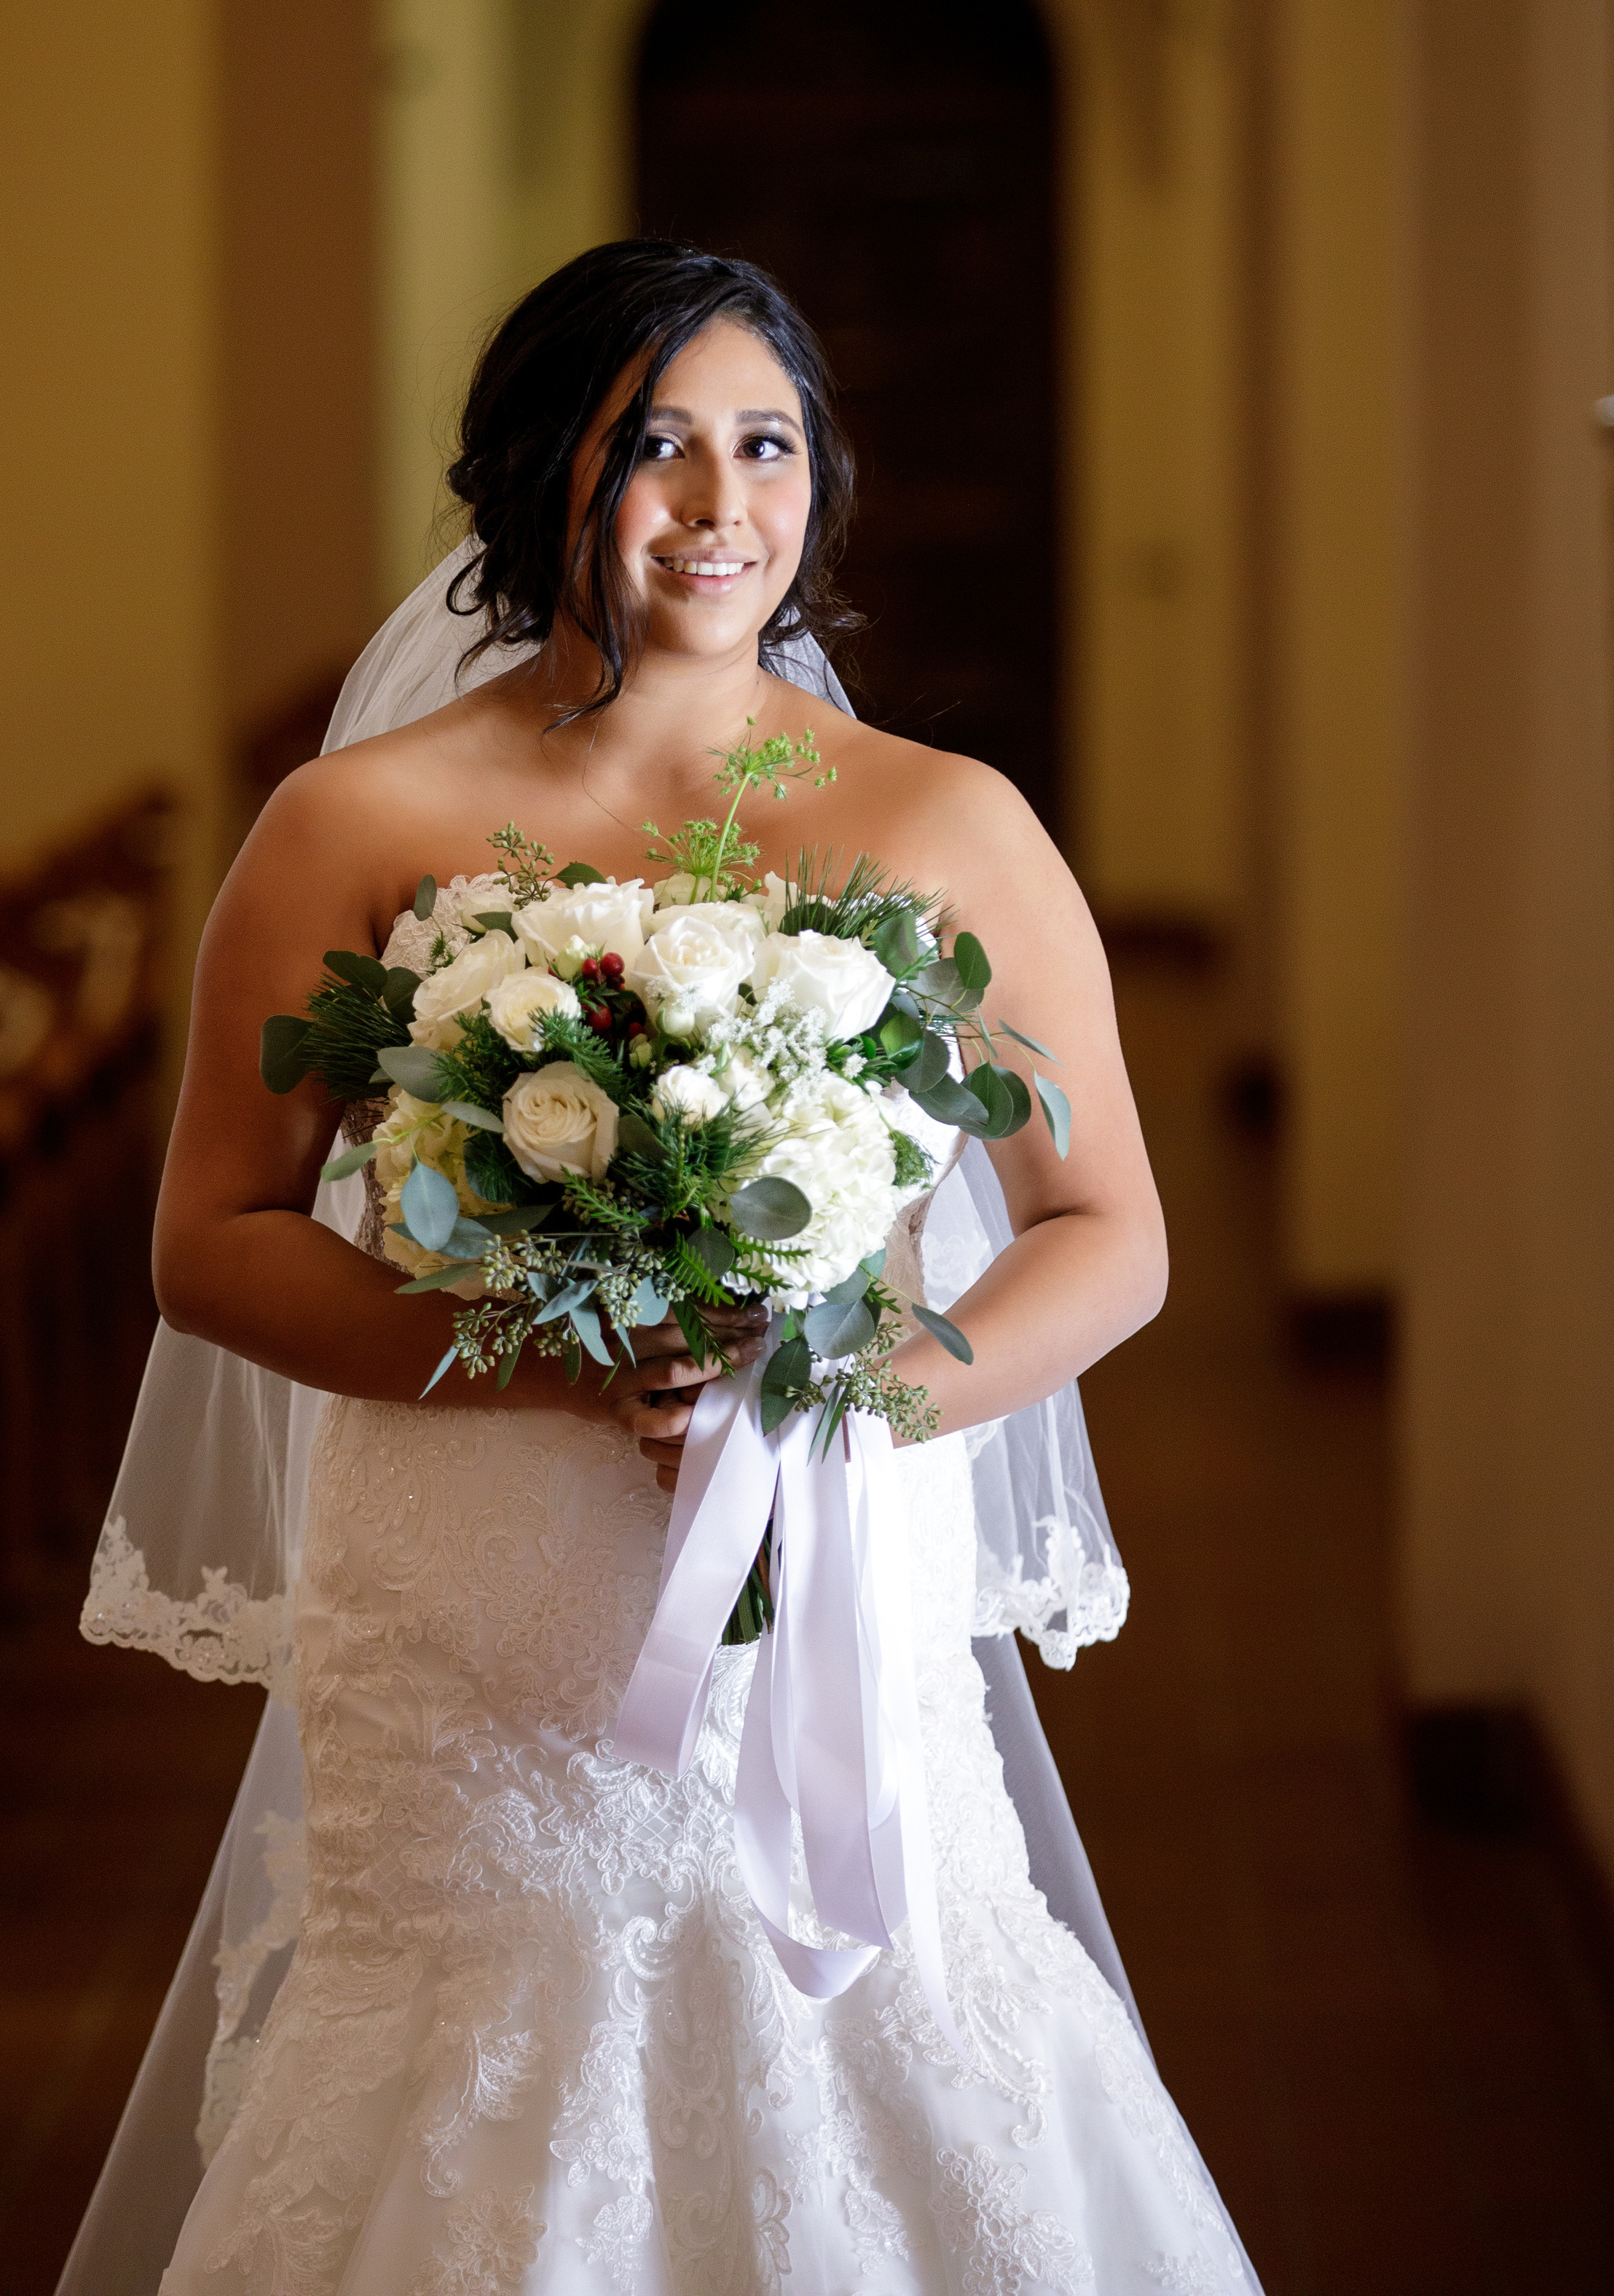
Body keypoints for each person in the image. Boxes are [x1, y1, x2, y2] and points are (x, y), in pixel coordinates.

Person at [64, 242, 1261, 2294]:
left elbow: (1110, 1232)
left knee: (857, 2031)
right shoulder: (357, 824)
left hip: (828, 1550)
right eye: (655, 447)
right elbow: (212, 1241)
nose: (721, 503)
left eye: (767, 444)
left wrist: (857, 1384)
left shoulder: (942, 820)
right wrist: (529, 1358)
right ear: (544, 474)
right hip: (469, 1590)